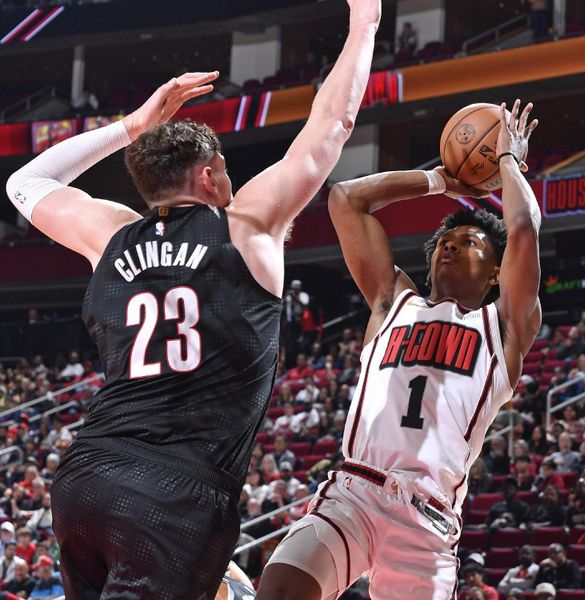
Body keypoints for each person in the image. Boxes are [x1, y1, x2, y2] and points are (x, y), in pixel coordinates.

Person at [5, 1, 382, 597]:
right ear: (209, 175)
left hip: (85, 482)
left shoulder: (108, 234)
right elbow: (330, 128)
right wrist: (364, 25)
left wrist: (131, 126)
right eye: (226, 168)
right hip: (173, 494)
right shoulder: (246, 228)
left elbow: (22, 182)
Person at [259, 98, 542, 600]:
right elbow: (346, 199)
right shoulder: (393, 302)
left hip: (427, 517)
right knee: (280, 589)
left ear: (497, 272)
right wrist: (440, 181)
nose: (452, 246)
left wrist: (507, 162)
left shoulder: (502, 325)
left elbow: (522, 229)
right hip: (355, 493)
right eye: (445, 241)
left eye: (471, 241)